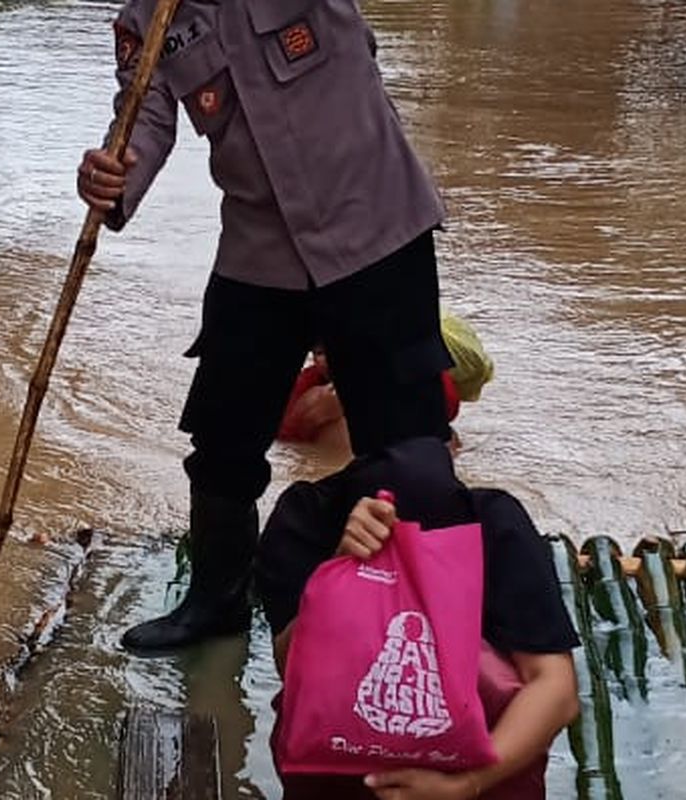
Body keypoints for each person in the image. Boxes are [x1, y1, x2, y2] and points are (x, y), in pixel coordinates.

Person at [79, 0, 453, 652]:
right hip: (261, 253)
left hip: (376, 229)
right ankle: (217, 601)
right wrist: (111, 176)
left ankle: (419, 603)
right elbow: (145, 120)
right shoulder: (148, 19)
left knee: (406, 444)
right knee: (222, 436)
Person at [256, 437, 580, 798]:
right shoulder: (307, 520)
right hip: (343, 775)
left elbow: (555, 688)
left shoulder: (494, 526)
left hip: (481, 775)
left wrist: (466, 785)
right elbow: (291, 666)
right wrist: (342, 575)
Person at [278, 310, 495, 450]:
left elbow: (441, 407)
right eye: (318, 352)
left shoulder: (409, 373)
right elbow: (288, 430)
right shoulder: (313, 390)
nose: (326, 360)